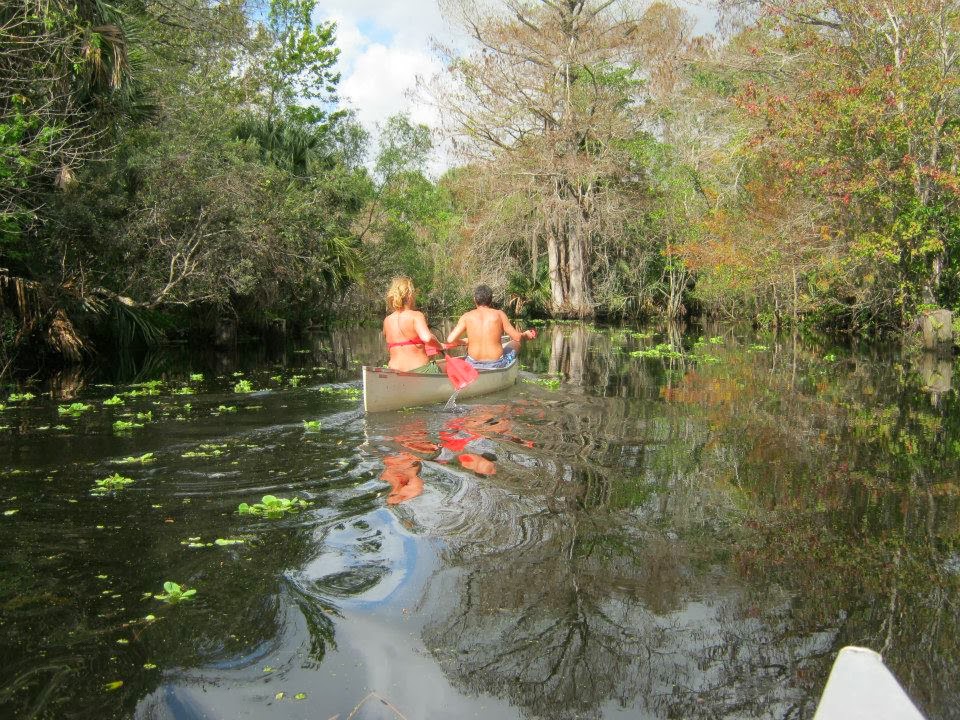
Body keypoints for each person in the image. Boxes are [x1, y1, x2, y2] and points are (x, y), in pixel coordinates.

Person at [446, 284, 536, 370]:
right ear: (491, 300)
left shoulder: (466, 316)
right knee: (516, 343)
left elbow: (450, 340)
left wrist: (463, 341)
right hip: (496, 364)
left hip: (472, 364)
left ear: (474, 300)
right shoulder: (499, 314)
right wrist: (525, 335)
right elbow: (517, 337)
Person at [383, 277, 443, 373]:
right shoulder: (416, 315)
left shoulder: (387, 320)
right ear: (410, 295)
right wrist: (439, 346)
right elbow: (427, 338)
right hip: (420, 370)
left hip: (394, 372)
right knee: (444, 368)